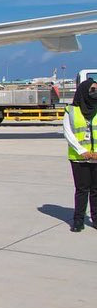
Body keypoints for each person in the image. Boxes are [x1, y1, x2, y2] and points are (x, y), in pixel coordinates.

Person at [63, 78, 97, 232]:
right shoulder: (71, 110)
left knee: (96, 190)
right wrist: (83, 152)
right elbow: (68, 133)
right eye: (92, 89)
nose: (94, 93)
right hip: (79, 158)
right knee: (82, 190)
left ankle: (96, 220)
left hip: (96, 157)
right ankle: (78, 221)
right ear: (84, 91)